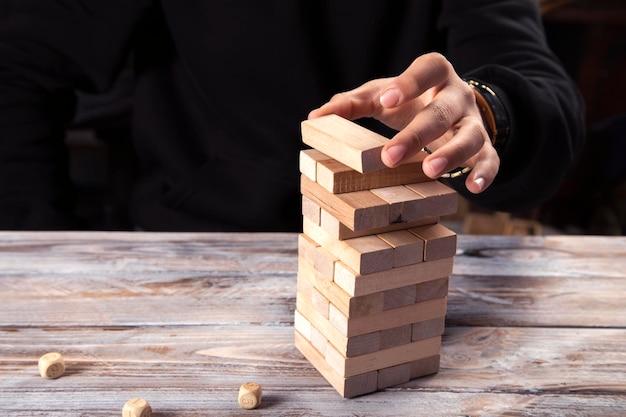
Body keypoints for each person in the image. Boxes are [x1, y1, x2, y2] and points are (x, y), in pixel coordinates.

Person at [0, 1, 585, 231]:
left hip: (386, 240)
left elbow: (544, 93)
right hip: (194, 243)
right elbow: (20, 65)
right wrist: (40, 250)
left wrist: (486, 110)